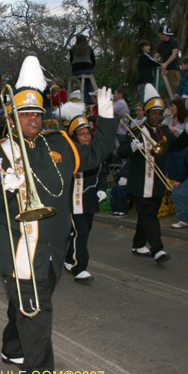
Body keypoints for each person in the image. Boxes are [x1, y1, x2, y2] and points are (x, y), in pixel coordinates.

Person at [0, 56, 117, 374]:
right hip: (18, 250)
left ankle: (13, 348)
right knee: (37, 309)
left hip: (53, 247)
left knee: (26, 305)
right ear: (11, 119)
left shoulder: (59, 144)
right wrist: (5, 185)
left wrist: (107, 119)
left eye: (38, 114)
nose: (33, 119)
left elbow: (95, 156)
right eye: (25, 114)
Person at [118, 84, 186, 264]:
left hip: (157, 182)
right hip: (140, 184)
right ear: (147, 114)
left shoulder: (164, 131)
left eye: (159, 113)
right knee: (149, 215)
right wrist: (132, 147)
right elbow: (121, 152)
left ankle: (138, 244)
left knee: (147, 216)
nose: (157, 116)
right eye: (154, 113)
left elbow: (177, 146)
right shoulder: (136, 130)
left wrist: (187, 133)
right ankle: (158, 250)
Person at [63, 115, 109, 283]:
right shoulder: (68, 153)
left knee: (83, 231)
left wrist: (102, 189)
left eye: (88, 133)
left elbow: (103, 173)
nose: (86, 136)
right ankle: (79, 266)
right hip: (72, 200)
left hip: (89, 199)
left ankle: (69, 259)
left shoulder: (96, 152)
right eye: (81, 134)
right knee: (79, 231)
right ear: (75, 137)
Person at [154, 26, 181, 99]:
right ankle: (168, 108)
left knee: (174, 89)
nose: (159, 35)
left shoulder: (174, 42)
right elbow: (156, 57)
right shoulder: (160, 44)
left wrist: (166, 64)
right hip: (163, 70)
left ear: (165, 34)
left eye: (160, 33)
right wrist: (154, 65)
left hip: (173, 69)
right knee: (163, 91)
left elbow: (174, 54)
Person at [69, 34, 96, 104]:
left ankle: (86, 98)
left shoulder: (73, 48)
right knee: (89, 80)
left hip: (76, 69)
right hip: (87, 67)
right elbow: (93, 60)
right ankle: (91, 99)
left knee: (83, 81)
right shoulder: (89, 48)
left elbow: (71, 60)